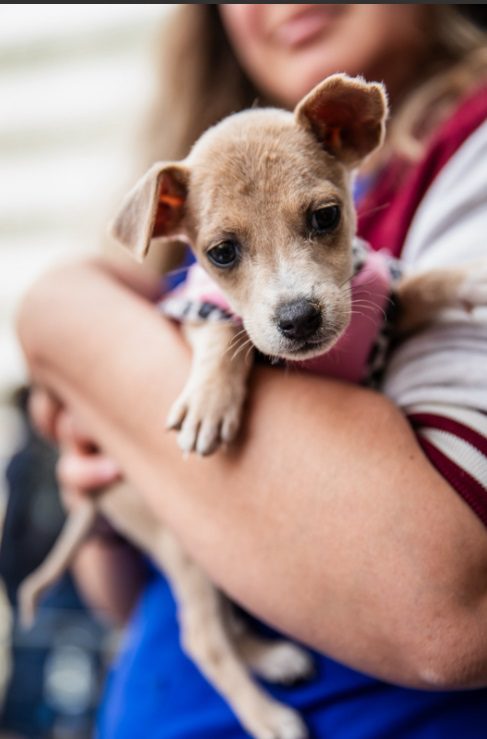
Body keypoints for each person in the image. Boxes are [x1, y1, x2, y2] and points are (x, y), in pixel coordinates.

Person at [18, 4, 487, 737]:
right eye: (227, 254)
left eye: (320, 219)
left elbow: (442, 612)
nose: (292, 302)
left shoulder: (466, 148)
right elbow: (127, 596)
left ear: (350, 127)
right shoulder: (204, 209)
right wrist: (113, 483)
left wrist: (72, 323)